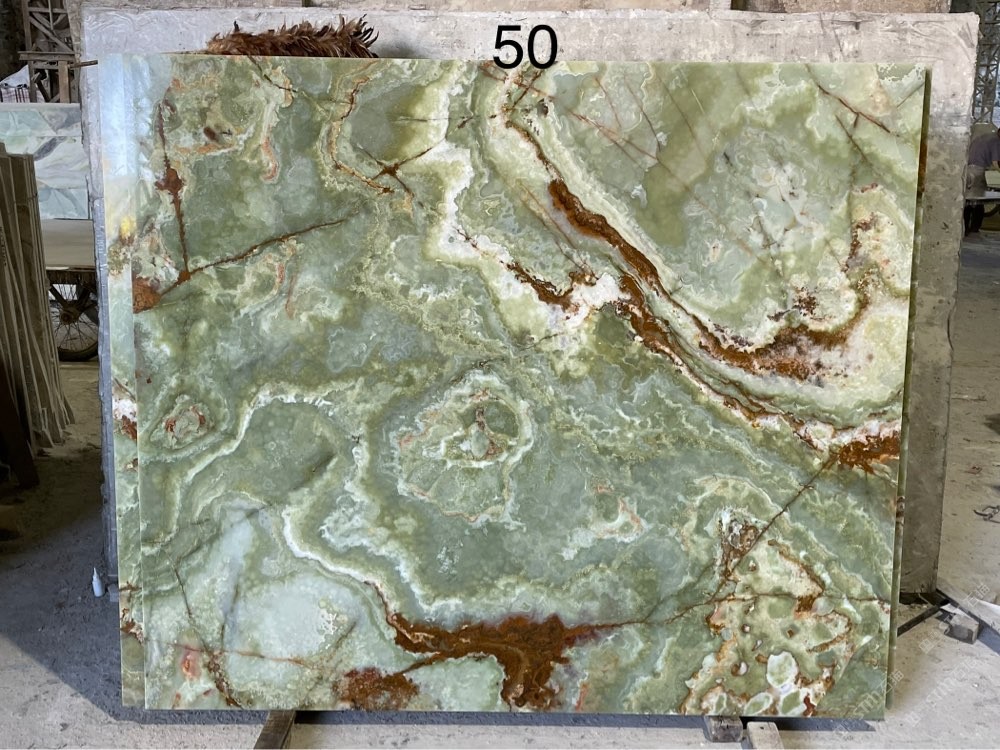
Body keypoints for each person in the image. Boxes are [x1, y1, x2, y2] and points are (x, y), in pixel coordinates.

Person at [965, 128, 1000, 235]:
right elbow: (995, 163)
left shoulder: (985, 136)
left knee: (968, 200)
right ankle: (975, 229)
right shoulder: (996, 141)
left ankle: (965, 228)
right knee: (979, 201)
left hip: (967, 170)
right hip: (978, 171)